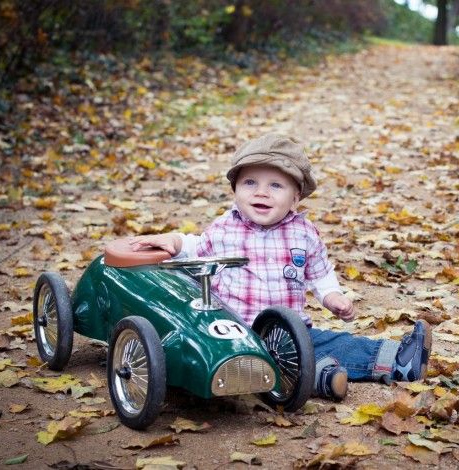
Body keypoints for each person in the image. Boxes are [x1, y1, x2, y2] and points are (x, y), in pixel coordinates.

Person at [129, 133, 432, 400]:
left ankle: (398, 360)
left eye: (276, 185)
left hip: (290, 331)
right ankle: (316, 379)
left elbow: (319, 272)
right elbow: (198, 248)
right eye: (250, 182)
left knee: (334, 343)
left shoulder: (303, 233)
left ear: (295, 197)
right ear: (235, 189)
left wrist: (331, 297)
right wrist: (174, 243)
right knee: (263, 362)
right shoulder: (225, 228)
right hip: (235, 334)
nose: (261, 192)